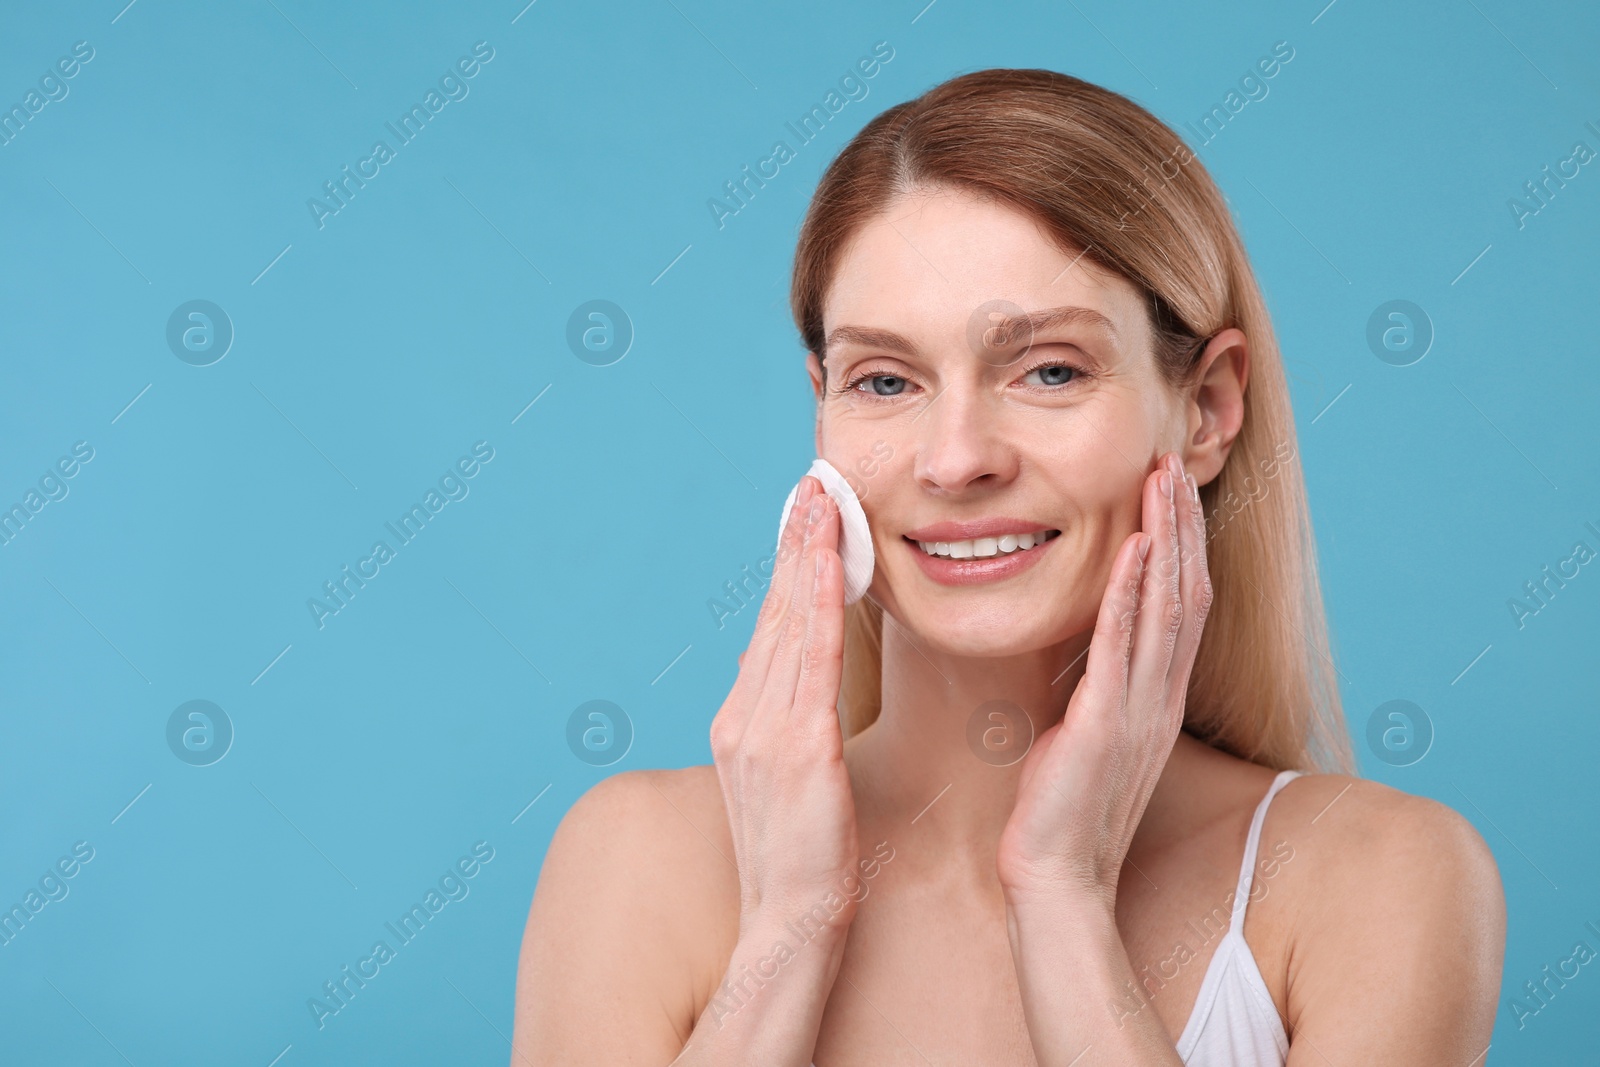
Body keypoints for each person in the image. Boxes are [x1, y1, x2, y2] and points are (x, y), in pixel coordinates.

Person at [511, 68, 1505, 1065]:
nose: (955, 457)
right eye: (885, 380)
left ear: (1205, 408)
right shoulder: (632, 863)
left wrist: (1063, 896)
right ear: (821, 407)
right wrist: (791, 923)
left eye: (1049, 370)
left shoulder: (1382, 877)